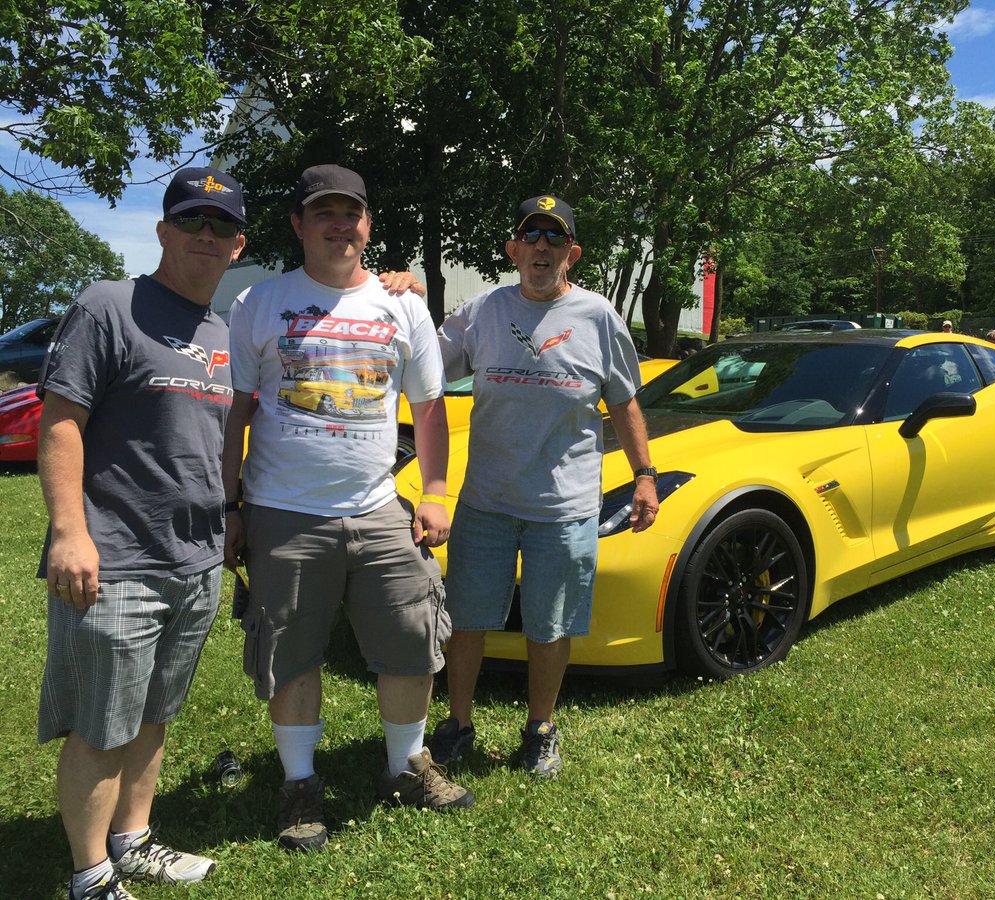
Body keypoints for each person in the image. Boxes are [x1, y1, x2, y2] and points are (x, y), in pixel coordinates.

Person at [221, 164, 472, 854]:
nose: (339, 225)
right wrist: (230, 504)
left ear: (367, 224)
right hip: (281, 510)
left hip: (379, 508)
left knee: (412, 637)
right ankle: (300, 784)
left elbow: (428, 408)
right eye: (322, 213)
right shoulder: (259, 304)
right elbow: (237, 411)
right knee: (291, 651)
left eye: (351, 213)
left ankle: (405, 765)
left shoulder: (404, 306)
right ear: (299, 225)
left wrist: (438, 492)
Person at [38, 167, 248, 900]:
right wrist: (70, 531)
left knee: (155, 711)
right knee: (102, 721)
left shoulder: (225, 333)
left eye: (221, 227)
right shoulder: (109, 306)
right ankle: (90, 875)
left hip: (195, 560)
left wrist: (231, 520)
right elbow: (61, 420)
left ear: (237, 244)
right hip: (114, 557)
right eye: (192, 221)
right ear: (163, 231)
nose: (205, 236)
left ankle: (132, 838)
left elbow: (220, 443)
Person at [431, 194, 658, 778]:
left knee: (550, 623)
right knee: (468, 617)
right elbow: (423, 364)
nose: (540, 247)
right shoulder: (483, 310)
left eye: (553, 238)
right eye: (530, 235)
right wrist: (392, 299)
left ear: (571, 254)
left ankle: (540, 729)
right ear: (513, 248)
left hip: (565, 505)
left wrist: (645, 476)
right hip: (486, 500)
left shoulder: (598, 317)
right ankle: (458, 723)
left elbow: (624, 399)